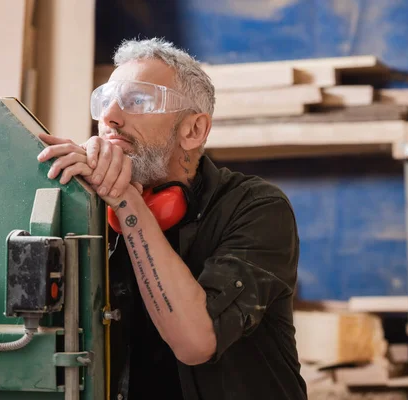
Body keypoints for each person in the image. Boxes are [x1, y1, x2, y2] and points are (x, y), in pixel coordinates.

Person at [36, 37, 307, 400]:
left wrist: (128, 202)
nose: (110, 117)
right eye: (105, 101)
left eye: (138, 101)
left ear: (193, 130)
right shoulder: (85, 207)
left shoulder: (257, 207)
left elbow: (196, 343)